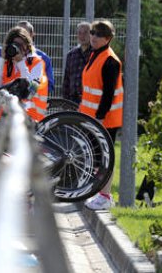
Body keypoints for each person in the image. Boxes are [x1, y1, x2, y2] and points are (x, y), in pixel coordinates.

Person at [80, 20, 124, 210]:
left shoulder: (109, 60)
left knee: (105, 157)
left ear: (108, 38)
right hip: (93, 117)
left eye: (99, 34)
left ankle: (105, 197)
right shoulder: (95, 55)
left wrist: (99, 117)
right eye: (92, 33)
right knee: (98, 157)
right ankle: (101, 194)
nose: (94, 37)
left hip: (104, 119)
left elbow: (108, 93)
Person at [0, 26, 48, 122]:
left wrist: (20, 62)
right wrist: (2, 58)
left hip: (28, 119)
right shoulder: (6, 63)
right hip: (3, 119)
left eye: (21, 44)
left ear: (27, 46)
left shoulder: (37, 63)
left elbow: (30, 91)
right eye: (15, 44)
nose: (18, 47)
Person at [17, 21, 55, 93]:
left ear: (32, 34)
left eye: (24, 33)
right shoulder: (9, 56)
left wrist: (31, 91)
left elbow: (49, 85)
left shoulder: (42, 58)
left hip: (34, 102)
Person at [62, 22, 92, 104]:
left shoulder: (95, 54)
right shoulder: (71, 54)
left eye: (85, 32)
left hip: (89, 99)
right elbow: (66, 79)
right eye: (80, 33)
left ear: (91, 34)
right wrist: (65, 101)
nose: (82, 36)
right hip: (72, 100)